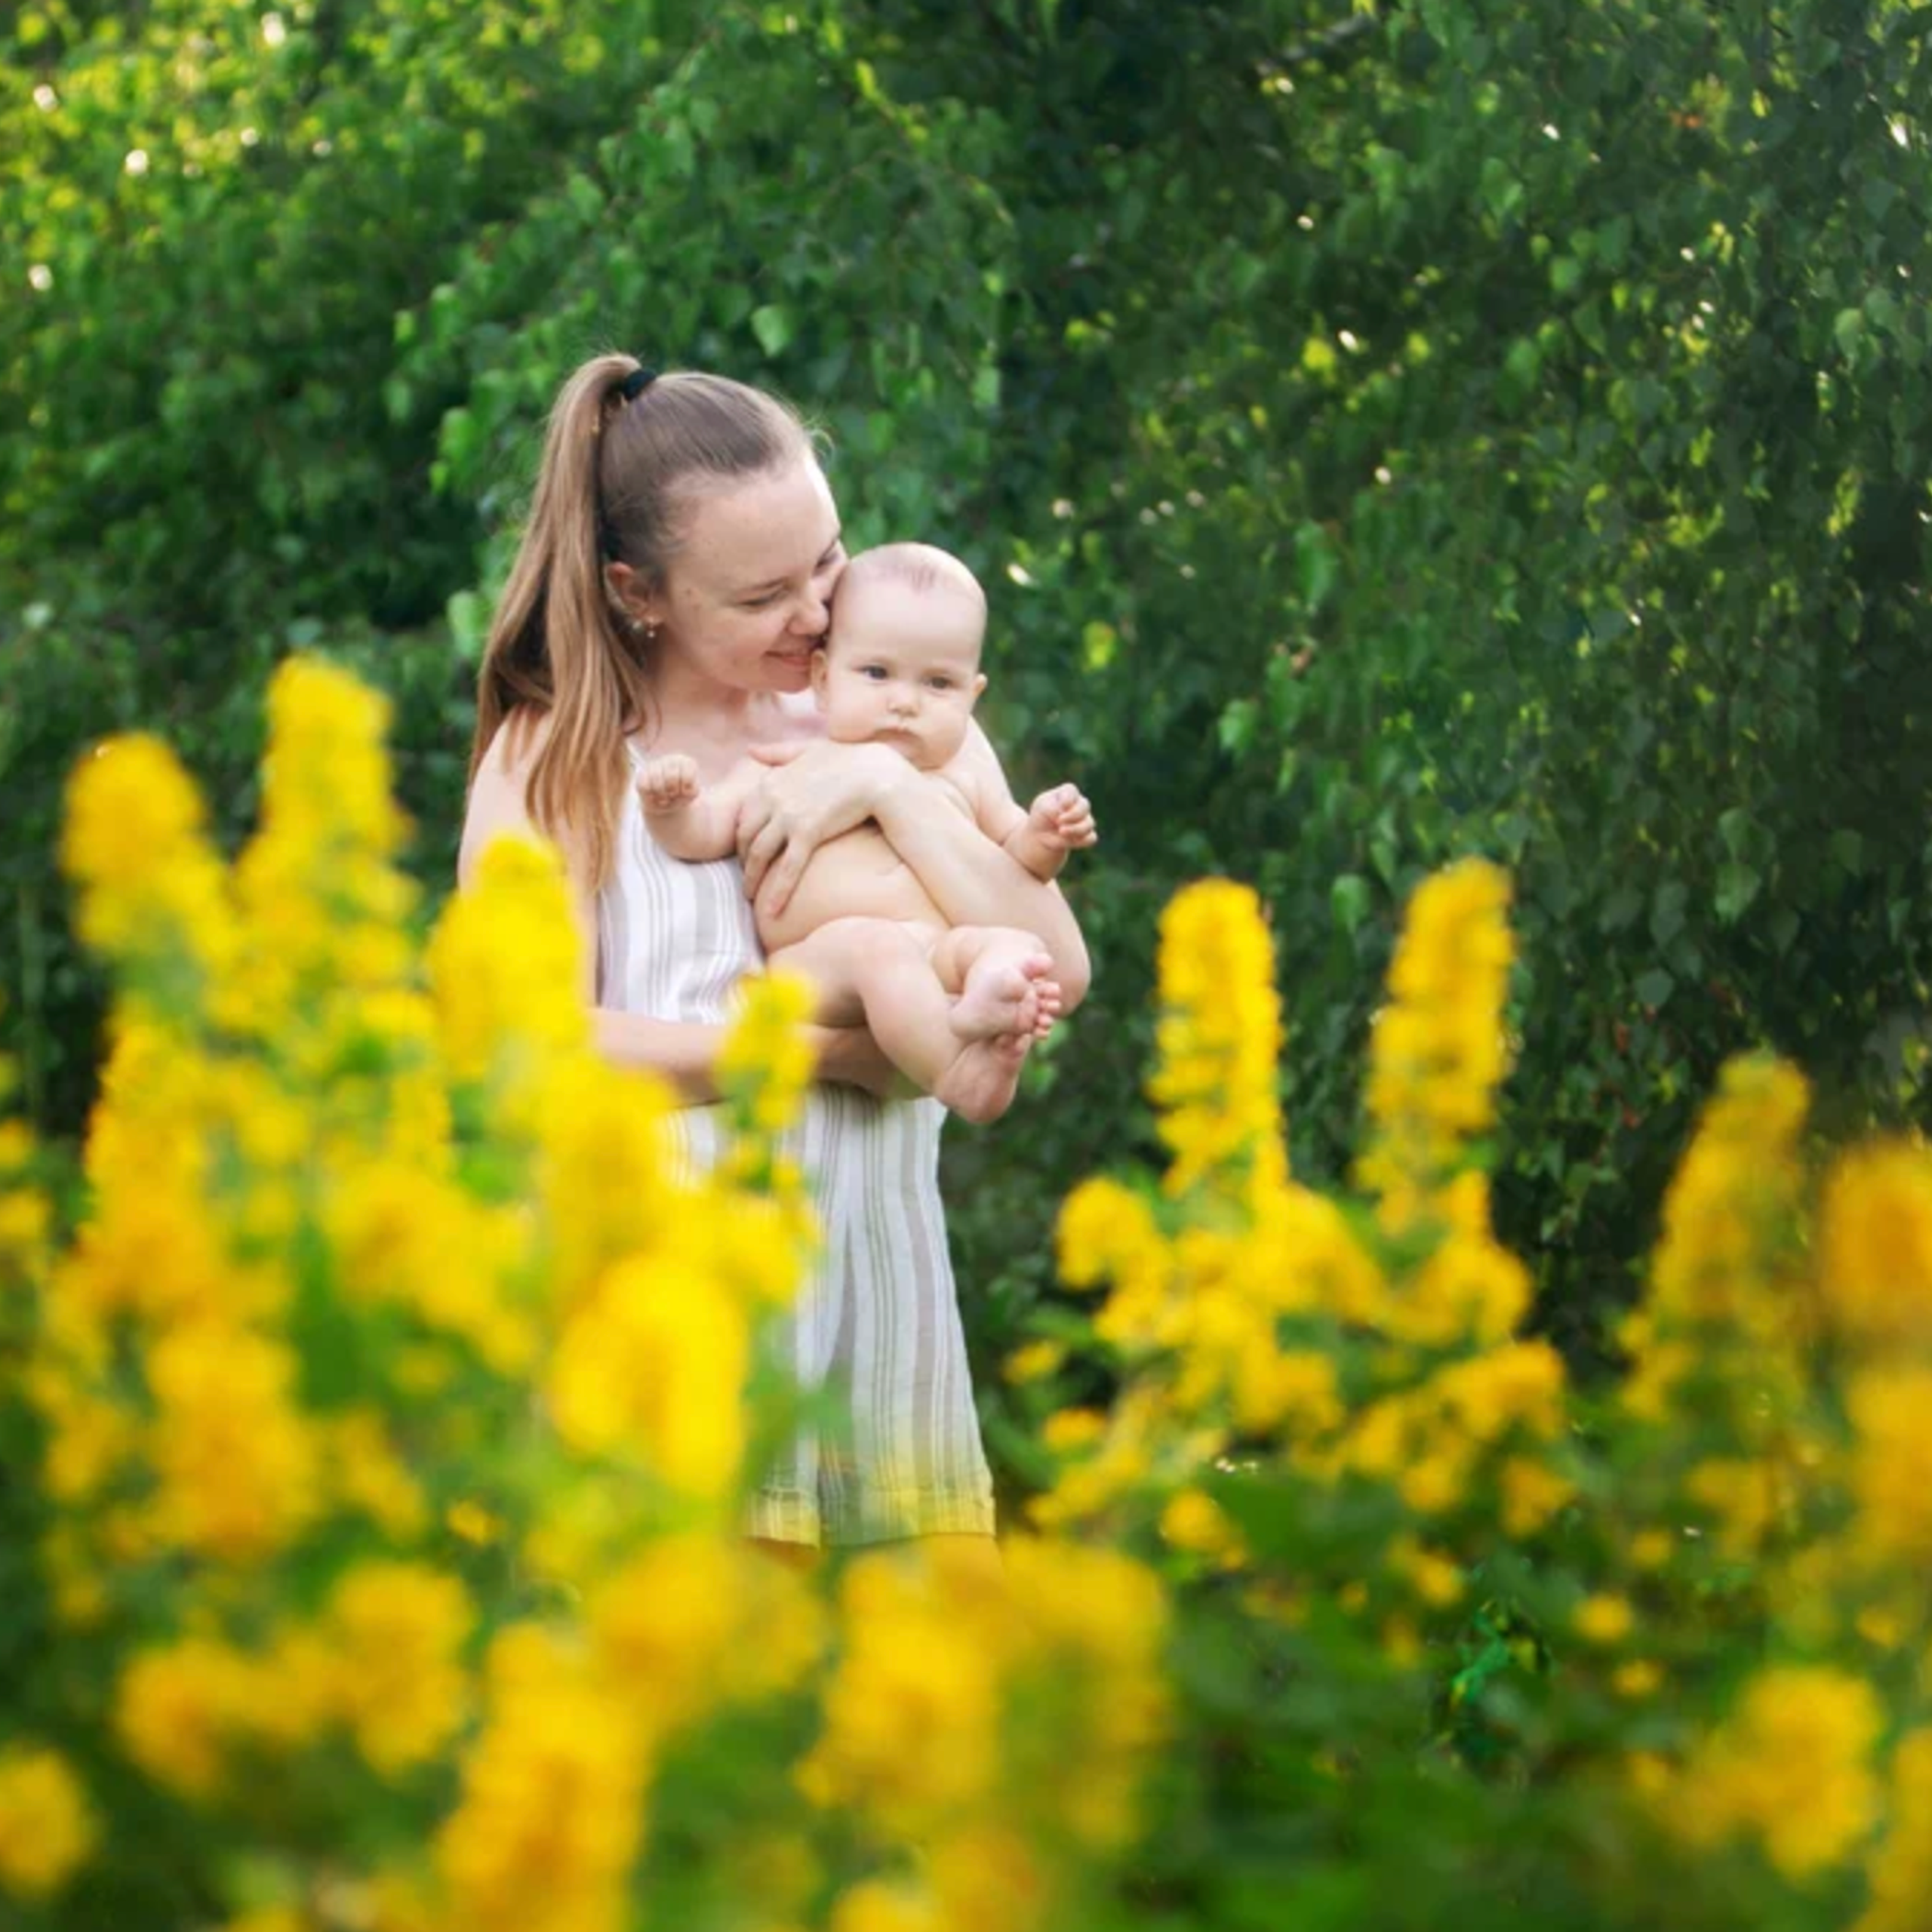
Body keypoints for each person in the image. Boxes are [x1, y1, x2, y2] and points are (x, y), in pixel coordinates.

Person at [457, 357, 1091, 1570]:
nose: (814, 614)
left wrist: (885, 791)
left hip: (882, 1304)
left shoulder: (884, 716)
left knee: (929, 1727)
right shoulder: (559, 758)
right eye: (761, 596)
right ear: (639, 592)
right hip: (666, 1329)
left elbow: (1061, 960)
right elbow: (524, 1048)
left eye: (826, 559)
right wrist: (825, 1057)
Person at [634, 541, 1100, 1125]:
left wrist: (1048, 835)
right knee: (878, 949)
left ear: (972, 695)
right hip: (824, 964)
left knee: (1016, 952)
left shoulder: (966, 769)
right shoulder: (789, 762)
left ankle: (983, 1028)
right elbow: (701, 833)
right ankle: (954, 1067)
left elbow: (1018, 856)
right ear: (824, 680)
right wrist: (670, 806)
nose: (904, 702)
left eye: (938, 685)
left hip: (936, 955)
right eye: (877, 673)